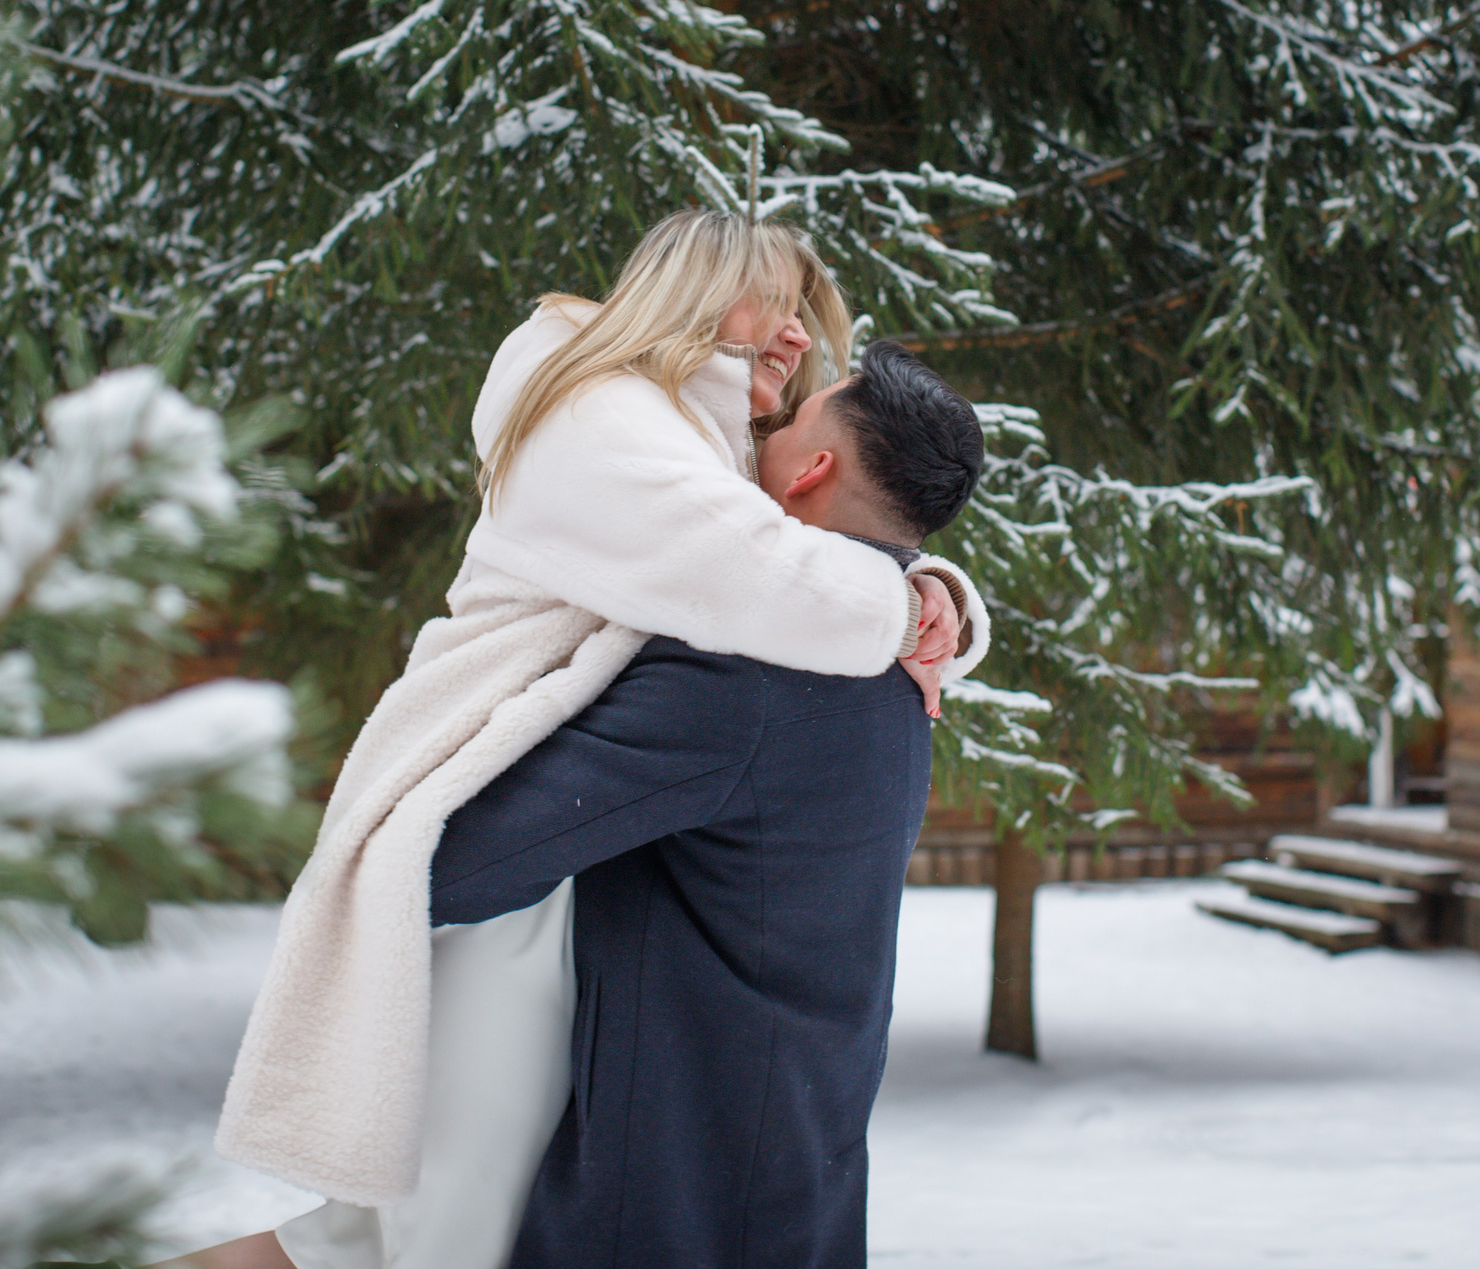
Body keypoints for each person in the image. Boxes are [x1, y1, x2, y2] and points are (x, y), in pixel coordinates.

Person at [175, 215, 984, 1269]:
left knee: (352, 1253)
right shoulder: (598, 419)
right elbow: (756, 560)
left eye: (804, 325)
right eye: (772, 302)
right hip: (534, 908)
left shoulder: (758, 634)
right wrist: (907, 596)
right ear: (690, 291)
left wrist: (925, 599)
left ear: (802, 472)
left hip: (672, 1111)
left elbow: (766, 566)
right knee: (361, 1252)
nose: (792, 340)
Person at [428, 341, 986, 1269]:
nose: (755, 426)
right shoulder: (892, 651)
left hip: (670, 1194)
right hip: (795, 1164)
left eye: (782, 420)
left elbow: (461, 858)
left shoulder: (747, 674)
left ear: (812, 468)